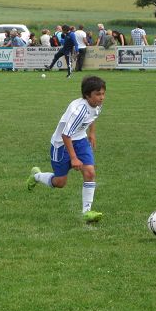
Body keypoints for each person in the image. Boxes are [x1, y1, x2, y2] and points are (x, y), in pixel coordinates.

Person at [27, 76, 106, 223]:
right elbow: (65, 135)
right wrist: (74, 158)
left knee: (90, 172)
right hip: (61, 144)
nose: (101, 97)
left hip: (80, 140)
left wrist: (92, 133)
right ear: (87, 95)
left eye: (103, 93)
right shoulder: (79, 111)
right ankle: (36, 176)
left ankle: (87, 212)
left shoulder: (97, 105)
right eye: (97, 94)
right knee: (60, 182)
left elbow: (92, 117)